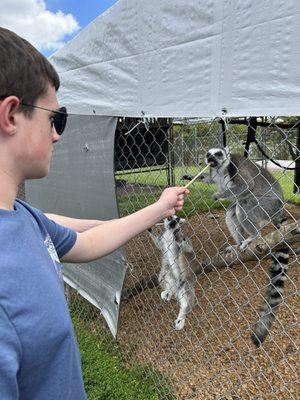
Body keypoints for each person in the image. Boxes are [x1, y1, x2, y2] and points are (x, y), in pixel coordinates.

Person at [0, 27, 189, 400]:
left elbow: (87, 240)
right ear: (10, 114)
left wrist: (158, 209)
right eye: (55, 118)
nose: (57, 135)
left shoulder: (23, 216)